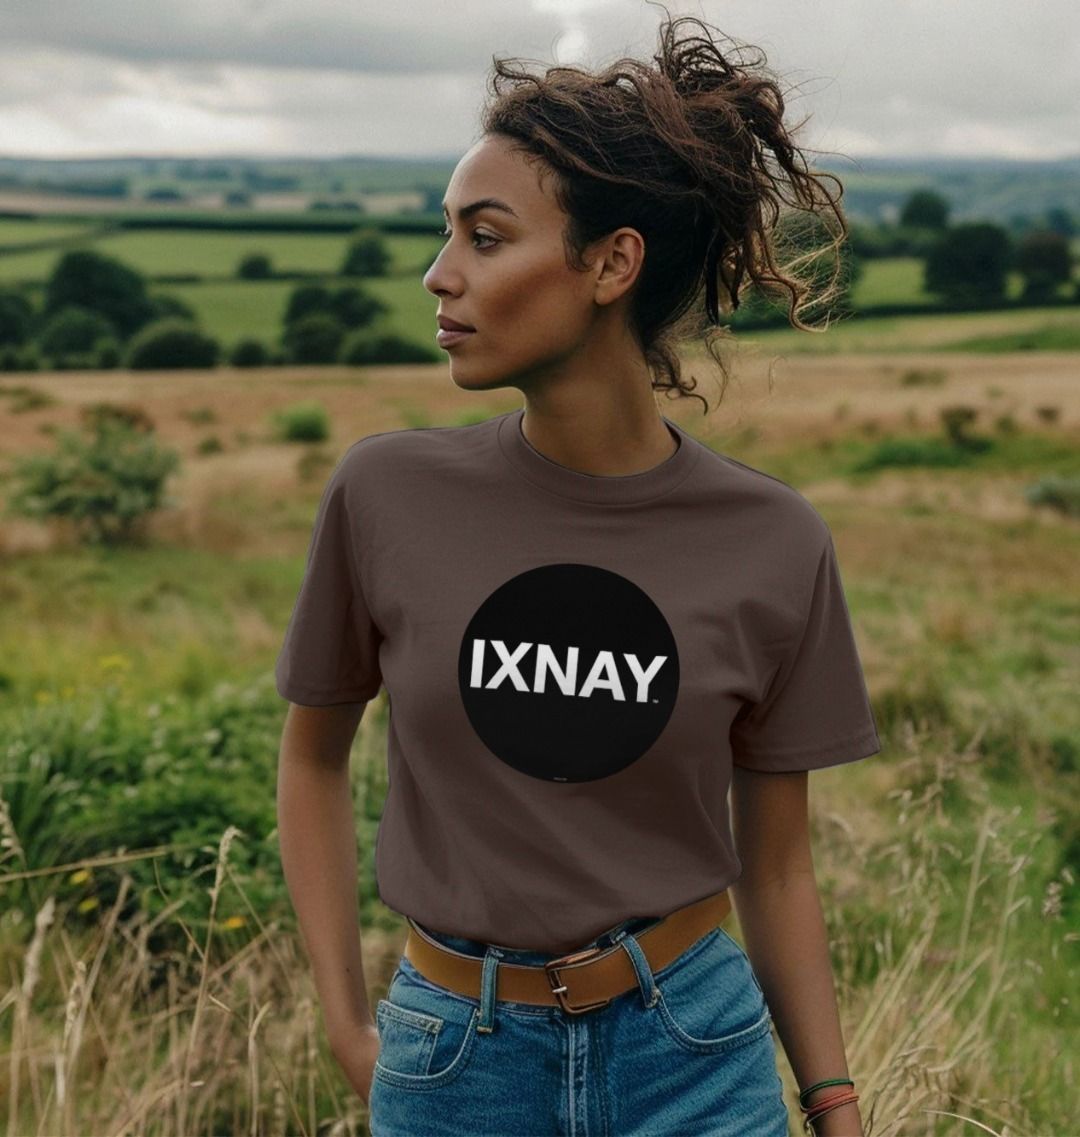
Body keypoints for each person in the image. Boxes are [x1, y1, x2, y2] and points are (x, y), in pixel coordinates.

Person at [275, 10, 879, 1136]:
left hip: (695, 1053)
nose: (439, 275)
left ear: (611, 263)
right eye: (447, 235)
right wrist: (351, 1027)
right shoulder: (385, 494)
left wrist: (833, 1098)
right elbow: (313, 758)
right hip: (457, 1059)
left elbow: (779, 868)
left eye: (485, 238)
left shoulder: (772, 538)